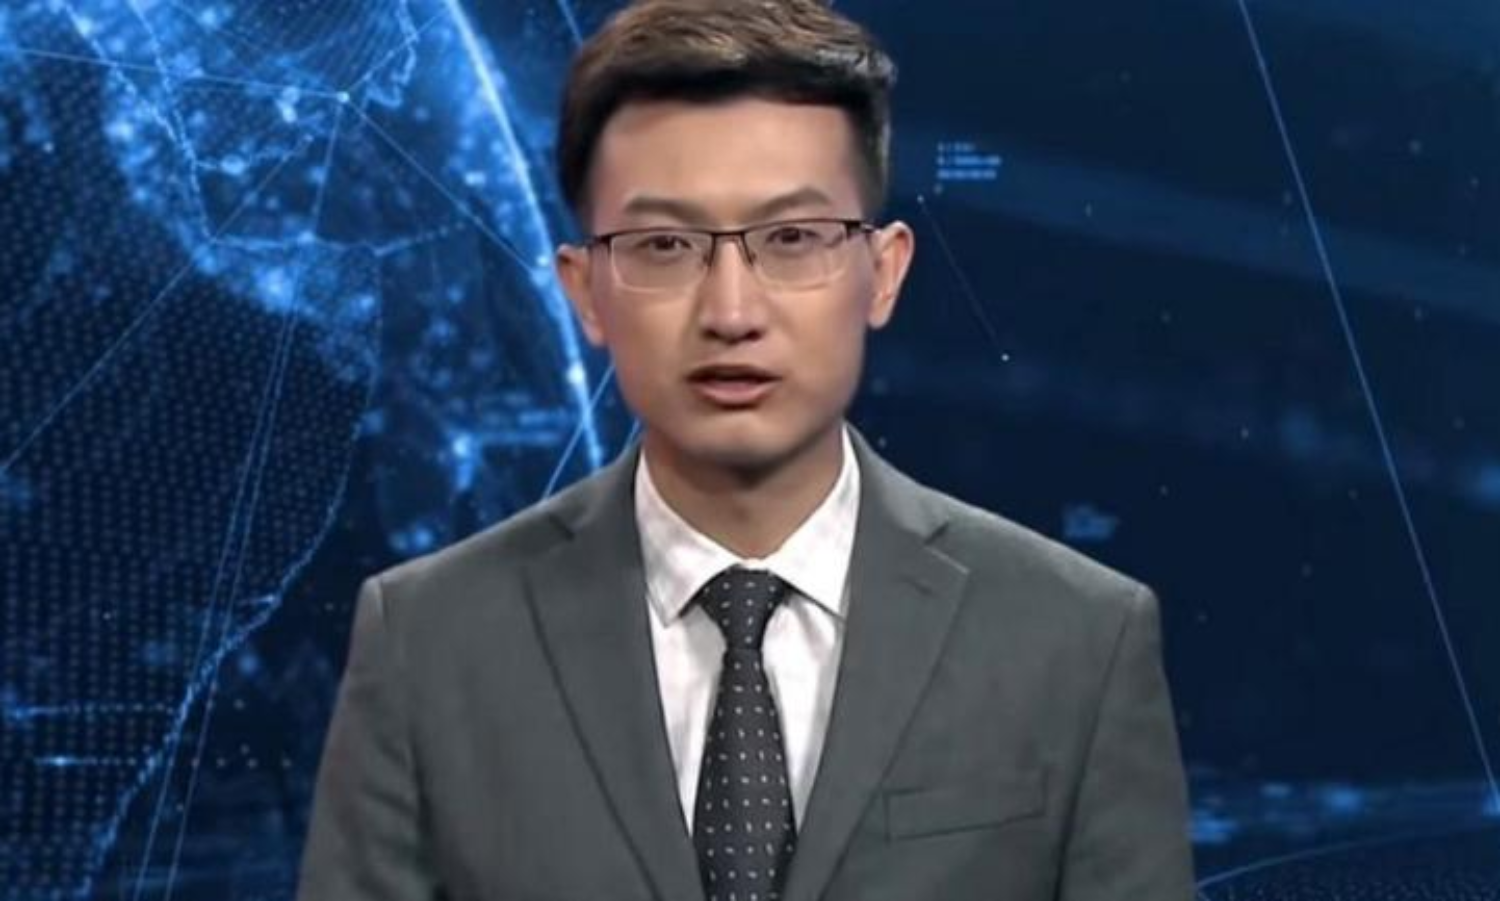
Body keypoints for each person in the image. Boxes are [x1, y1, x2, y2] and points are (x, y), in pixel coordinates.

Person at [295, 0, 1196, 898]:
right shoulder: (428, 643)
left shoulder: (1077, 639)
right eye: (664, 244)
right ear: (585, 291)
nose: (731, 312)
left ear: (883, 272)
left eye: (792, 238)